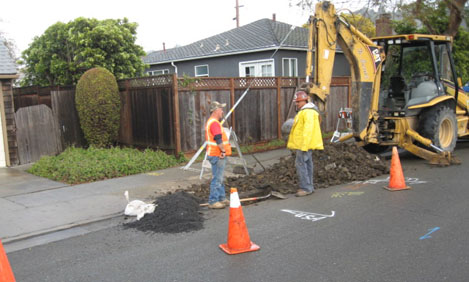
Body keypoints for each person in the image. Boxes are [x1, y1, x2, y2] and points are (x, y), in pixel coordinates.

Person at [287, 91, 324, 196]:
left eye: (299, 101)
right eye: (296, 102)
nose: (297, 104)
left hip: (304, 144)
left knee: (301, 164)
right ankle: (309, 186)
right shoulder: (306, 111)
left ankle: (306, 188)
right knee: (307, 164)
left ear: (305, 100)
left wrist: (304, 146)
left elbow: (308, 130)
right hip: (304, 144)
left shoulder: (308, 112)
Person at [205, 101, 232, 209]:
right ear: (216, 110)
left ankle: (221, 198)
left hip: (215, 154)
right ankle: (213, 201)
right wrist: (223, 151)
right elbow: (218, 139)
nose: (222, 111)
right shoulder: (214, 123)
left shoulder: (212, 122)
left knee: (219, 177)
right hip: (217, 154)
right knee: (217, 178)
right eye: (221, 109)